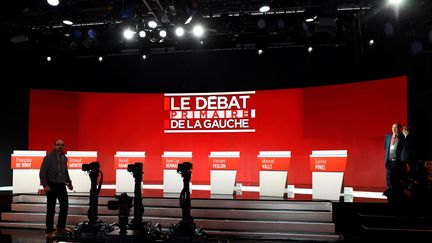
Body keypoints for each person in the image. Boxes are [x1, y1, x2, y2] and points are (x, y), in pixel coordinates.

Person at [39, 139, 73, 239]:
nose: (60, 147)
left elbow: (65, 171)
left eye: (62, 145)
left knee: (65, 206)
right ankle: (49, 230)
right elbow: (42, 172)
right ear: (54, 146)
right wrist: (45, 185)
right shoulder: (48, 157)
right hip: (51, 185)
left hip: (61, 185)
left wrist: (69, 182)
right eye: (58, 145)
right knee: (51, 208)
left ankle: (60, 227)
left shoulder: (64, 158)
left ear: (64, 146)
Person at [384, 123, 406, 196]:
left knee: (396, 177)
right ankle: (388, 190)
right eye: (392, 127)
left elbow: (403, 149)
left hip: (397, 161)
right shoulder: (388, 136)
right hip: (389, 160)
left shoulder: (402, 137)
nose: (393, 129)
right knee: (388, 176)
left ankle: (395, 192)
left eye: (395, 127)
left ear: (399, 129)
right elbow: (385, 147)